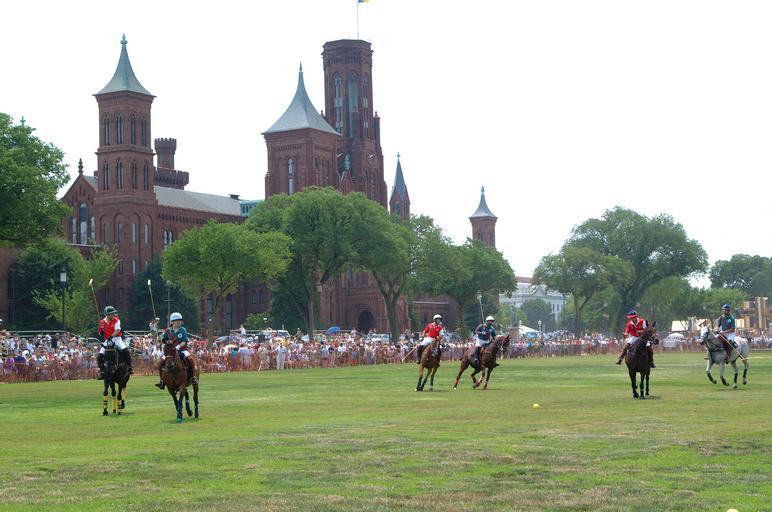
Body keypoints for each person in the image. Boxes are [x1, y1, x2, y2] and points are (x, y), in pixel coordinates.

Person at [155, 312, 197, 389]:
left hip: (182, 349)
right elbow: (164, 340)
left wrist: (178, 346)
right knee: (160, 362)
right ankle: (161, 381)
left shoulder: (182, 330)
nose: (179, 322)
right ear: (172, 322)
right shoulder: (168, 331)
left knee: (190, 360)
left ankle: (193, 377)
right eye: (177, 320)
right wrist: (160, 339)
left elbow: (184, 341)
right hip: (171, 352)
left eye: (180, 320)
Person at [96, 306, 133, 379]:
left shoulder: (116, 320)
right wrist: (101, 333)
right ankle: (102, 371)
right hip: (107, 340)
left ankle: (129, 367)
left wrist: (111, 336)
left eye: (113, 313)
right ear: (107, 314)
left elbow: (117, 330)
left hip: (117, 339)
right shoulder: (102, 322)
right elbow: (100, 333)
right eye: (112, 313)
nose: (113, 314)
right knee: (100, 355)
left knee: (125, 350)